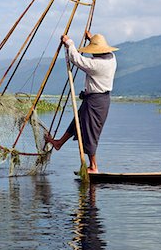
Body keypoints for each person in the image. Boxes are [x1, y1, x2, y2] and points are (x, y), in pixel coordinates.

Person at [45, 30, 118, 173]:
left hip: (96, 101)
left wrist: (69, 42)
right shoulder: (112, 58)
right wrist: (91, 39)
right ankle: (59, 143)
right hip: (96, 99)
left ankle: (93, 166)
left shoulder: (97, 65)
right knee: (77, 122)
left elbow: (76, 59)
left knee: (90, 131)